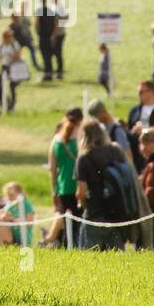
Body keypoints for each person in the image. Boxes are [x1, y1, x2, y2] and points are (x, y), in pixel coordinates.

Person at [75, 118, 129, 250]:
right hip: (116, 211)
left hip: (94, 213)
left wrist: (81, 202)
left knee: (90, 260)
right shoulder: (115, 151)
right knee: (117, 260)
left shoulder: (84, 158)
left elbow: (81, 190)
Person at [43, 107, 83, 247]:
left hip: (63, 186)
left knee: (68, 225)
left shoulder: (56, 140)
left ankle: (66, 247)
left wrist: (54, 190)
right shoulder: (81, 138)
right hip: (80, 186)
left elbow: (53, 169)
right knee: (80, 224)